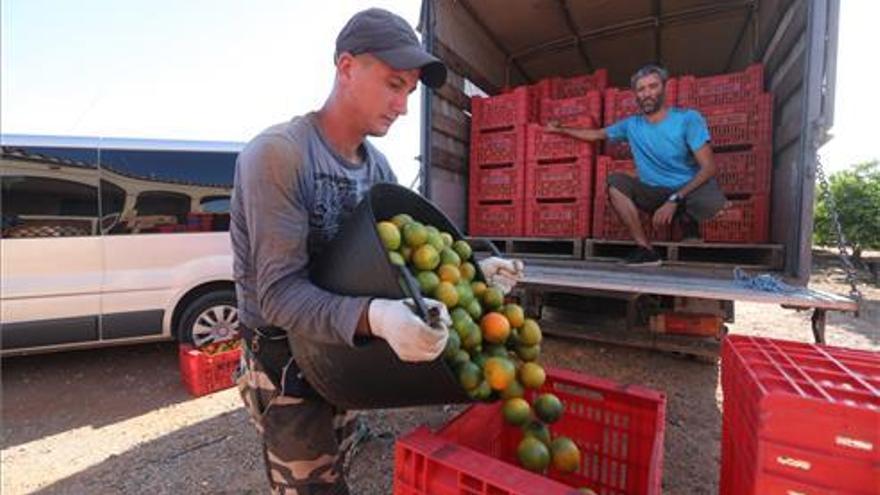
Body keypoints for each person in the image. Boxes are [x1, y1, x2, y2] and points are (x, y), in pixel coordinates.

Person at [230, 8, 524, 494]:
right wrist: (381, 319)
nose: (404, 106)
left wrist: (474, 267)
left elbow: (408, 260)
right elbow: (279, 296)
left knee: (341, 453)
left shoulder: (378, 169)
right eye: (393, 84)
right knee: (313, 487)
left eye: (409, 90)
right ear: (346, 68)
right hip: (283, 356)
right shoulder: (280, 155)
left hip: (343, 345)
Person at [547, 64, 727, 266]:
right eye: (641, 89)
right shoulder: (631, 125)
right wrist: (561, 129)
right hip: (656, 192)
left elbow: (709, 167)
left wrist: (674, 199)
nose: (647, 93)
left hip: (688, 189)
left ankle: (688, 222)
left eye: (653, 86)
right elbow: (597, 134)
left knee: (712, 203)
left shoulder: (688, 119)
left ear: (664, 89)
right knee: (615, 183)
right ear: (636, 95)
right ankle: (646, 250)